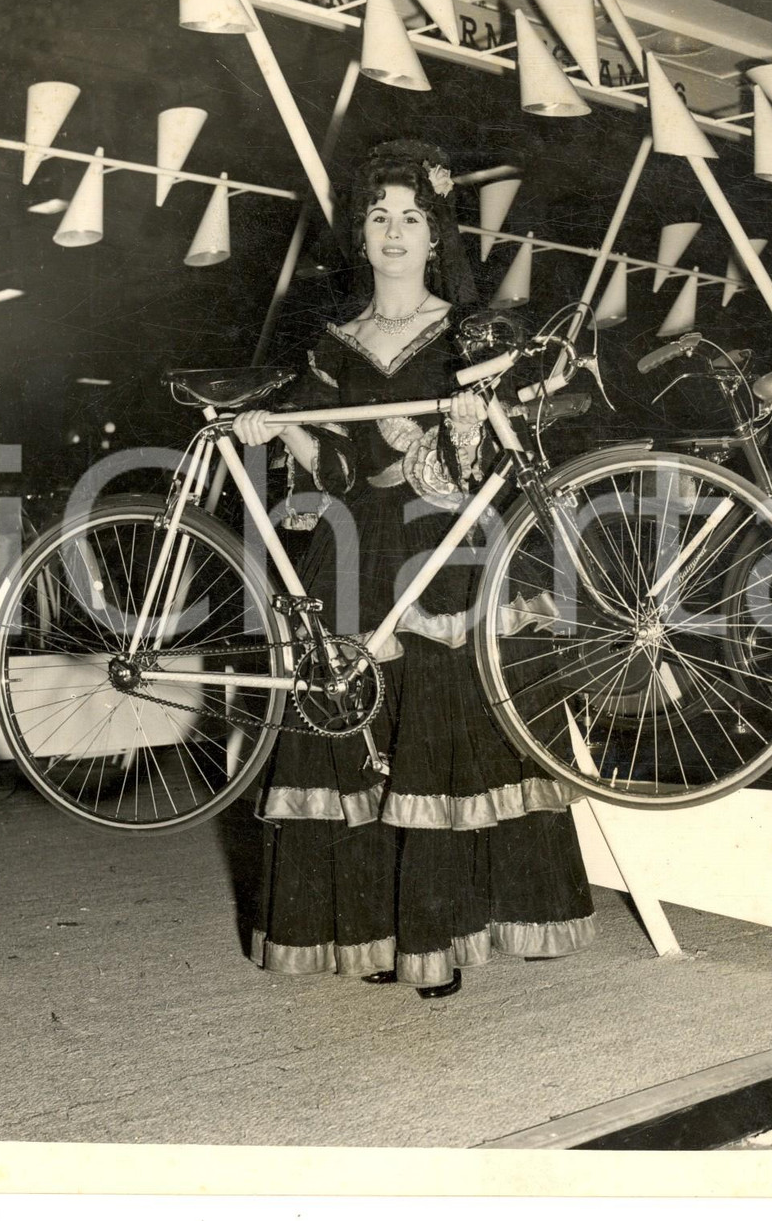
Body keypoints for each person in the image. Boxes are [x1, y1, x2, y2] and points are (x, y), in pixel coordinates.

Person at [233, 140, 595, 999]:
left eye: (412, 219)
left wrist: (470, 424)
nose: (395, 233)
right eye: (379, 217)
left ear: (437, 237)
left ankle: (441, 938)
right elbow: (335, 473)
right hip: (354, 553)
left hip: (446, 551)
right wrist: (276, 429)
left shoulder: (468, 337)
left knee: (441, 735)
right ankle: (376, 934)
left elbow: (469, 476)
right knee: (354, 738)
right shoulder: (328, 343)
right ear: (359, 236)